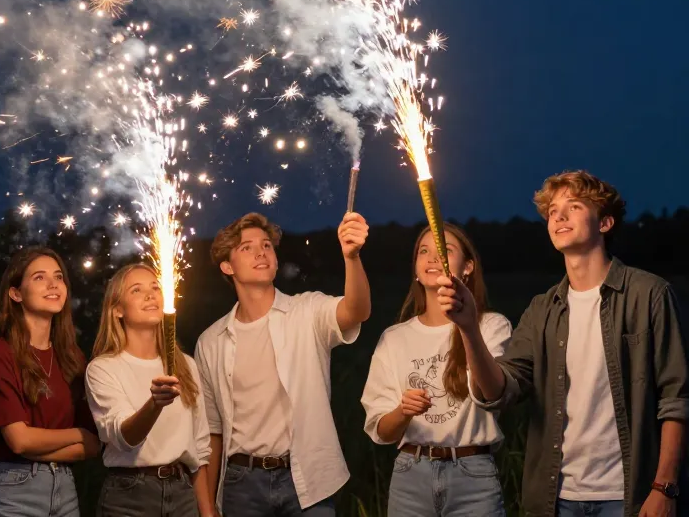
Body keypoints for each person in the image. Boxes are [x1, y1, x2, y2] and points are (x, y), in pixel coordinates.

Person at [439, 170, 689, 517]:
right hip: (557, 499)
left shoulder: (649, 295)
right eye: (553, 210)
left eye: (573, 206)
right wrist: (468, 328)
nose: (558, 215)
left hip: (630, 496)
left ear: (604, 223)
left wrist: (665, 487)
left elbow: (676, 400)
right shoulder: (542, 309)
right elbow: (499, 391)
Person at [195, 210, 372, 517]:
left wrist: (352, 257)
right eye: (246, 248)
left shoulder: (306, 312)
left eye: (266, 246)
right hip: (241, 484)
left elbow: (356, 311)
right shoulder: (211, 341)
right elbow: (212, 432)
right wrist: (208, 509)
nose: (260, 253)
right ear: (227, 265)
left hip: (307, 478)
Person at [361, 223, 512, 516]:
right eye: (423, 251)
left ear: (467, 267)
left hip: (473, 476)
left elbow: (492, 393)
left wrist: (467, 326)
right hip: (410, 475)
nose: (431, 258)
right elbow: (382, 430)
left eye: (444, 251)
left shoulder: (491, 326)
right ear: (416, 270)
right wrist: (403, 411)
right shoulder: (394, 339)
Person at [0, 247, 100, 517]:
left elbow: (93, 445)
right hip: (15, 491)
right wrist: (77, 434)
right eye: (39, 278)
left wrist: (39, 445)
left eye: (58, 277)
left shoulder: (72, 357)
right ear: (16, 293)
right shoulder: (1, 352)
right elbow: (19, 441)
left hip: (65, 489)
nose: (53, 284)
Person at [85, 262, 214, 517]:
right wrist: (155, 404)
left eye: (155, 287)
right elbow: (125, 438)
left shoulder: (185, 365)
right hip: (130, 497)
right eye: (136, 290)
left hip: (182, 494)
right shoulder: (103, 369)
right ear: (117, 310)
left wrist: (207, 512)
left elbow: (199, 447)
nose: (150, 294)